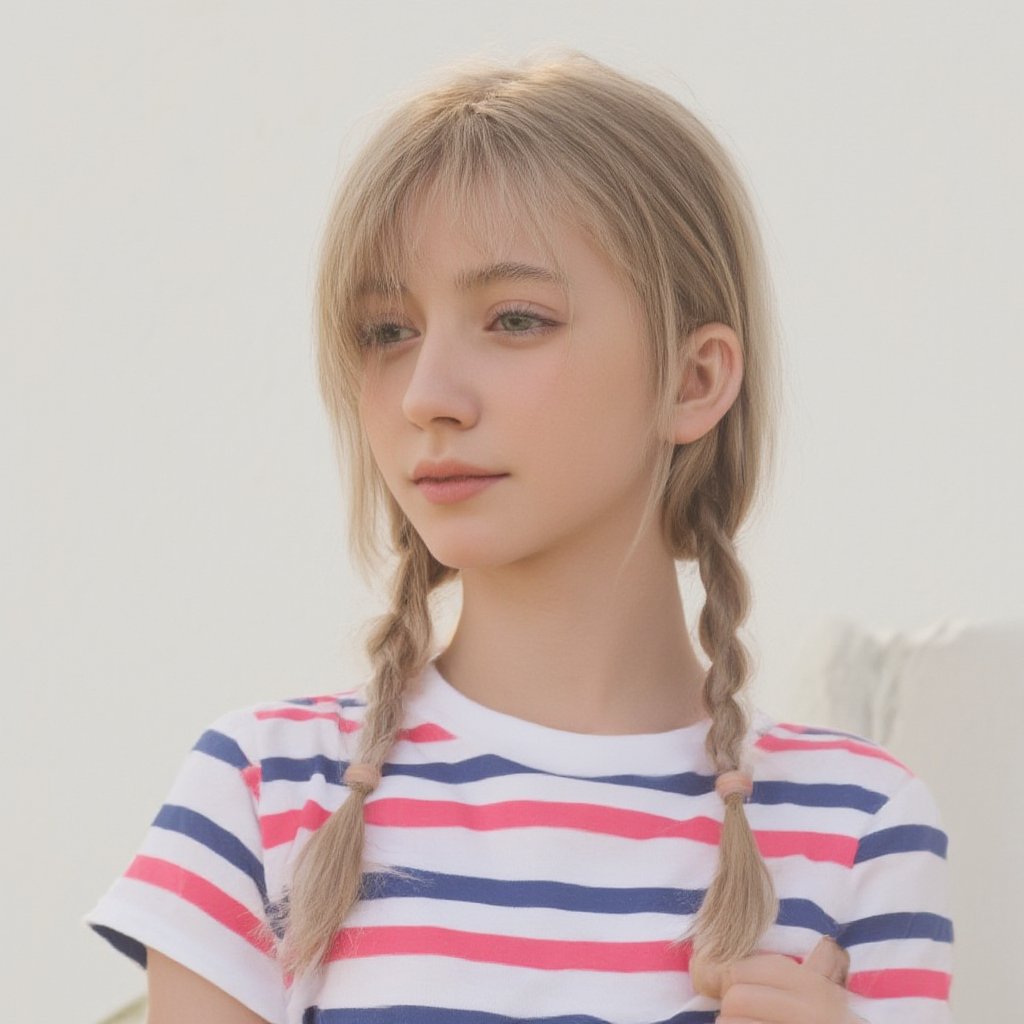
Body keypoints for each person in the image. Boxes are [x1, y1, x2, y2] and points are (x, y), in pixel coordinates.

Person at [86, 49, 954, 1024]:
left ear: (694, 379)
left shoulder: (859, 823)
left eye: (513, 318)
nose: (426, 396)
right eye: (385, 332)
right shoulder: (260, 791)